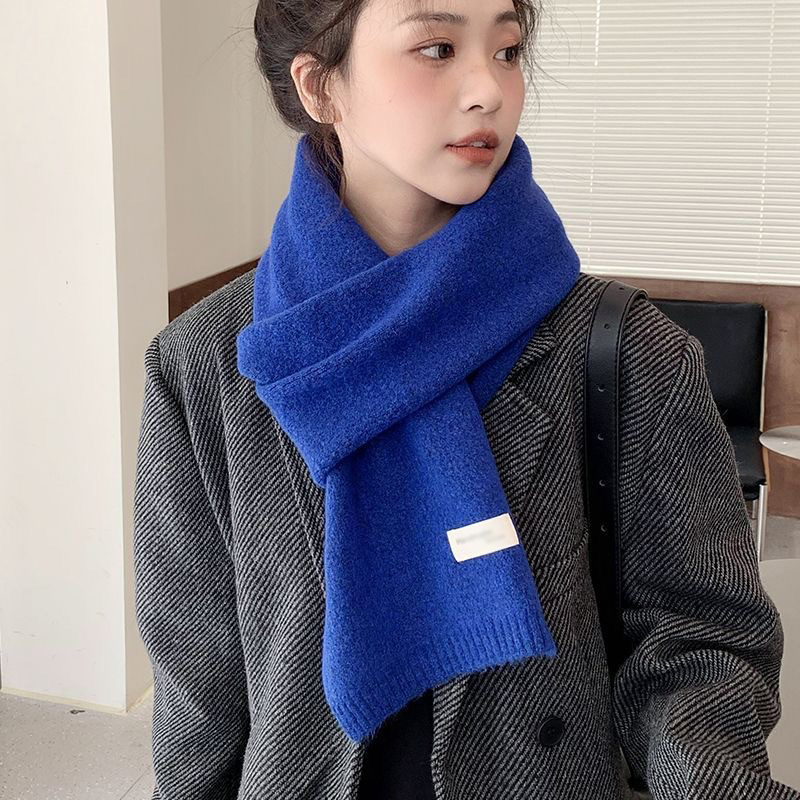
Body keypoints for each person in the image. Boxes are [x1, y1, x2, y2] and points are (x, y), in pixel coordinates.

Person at [132, 1, 799, 798]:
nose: (490, 89)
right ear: (320, 87)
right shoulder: (205, 366)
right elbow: (200, 688)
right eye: (437, 48)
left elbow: (700, 646)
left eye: (508, 49)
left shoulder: (627, 351)